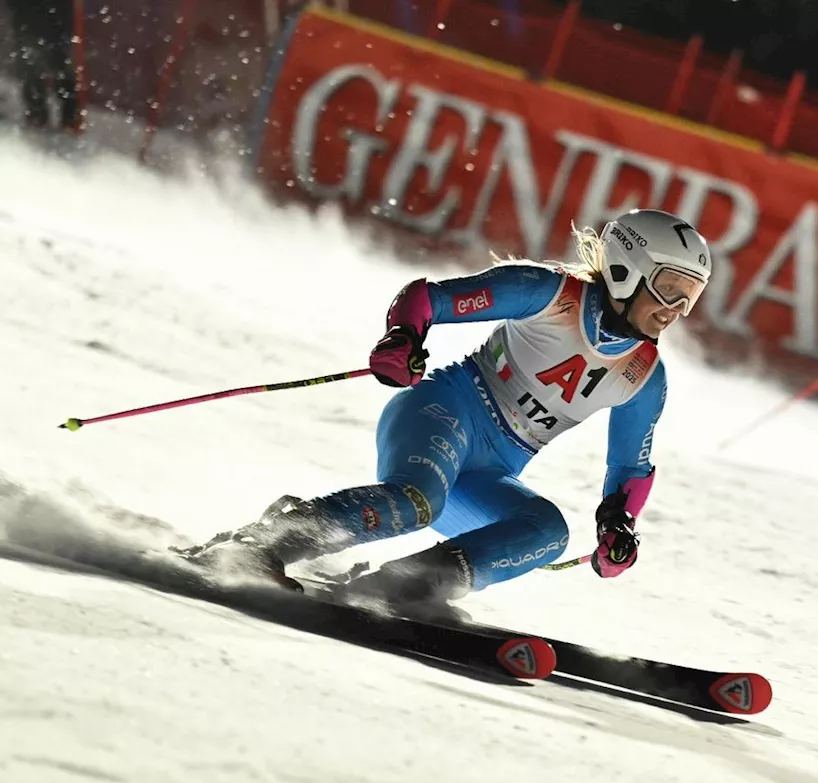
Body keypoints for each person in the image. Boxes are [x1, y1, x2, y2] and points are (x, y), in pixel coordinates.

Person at [181, 209, 711, 613]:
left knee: (546, 532)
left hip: (488, 471)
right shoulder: (548, 294)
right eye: (668, 288)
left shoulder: (644, 376)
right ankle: (264, 543)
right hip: (442, 413)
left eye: (689, 298)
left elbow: (628, 470)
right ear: (625, 270)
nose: (675, 310)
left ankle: (403, 584)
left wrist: (618, 525)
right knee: (416, 503)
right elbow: (426, 299)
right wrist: (402, 339)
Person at [3, 0, 80, 131]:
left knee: (54, 63)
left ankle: (65, 115)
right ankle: (42, 113)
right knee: (32, 63)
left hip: (48, 18)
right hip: (33, 18)